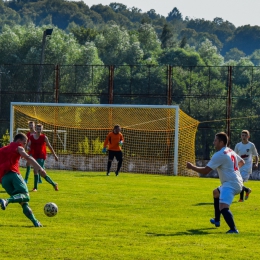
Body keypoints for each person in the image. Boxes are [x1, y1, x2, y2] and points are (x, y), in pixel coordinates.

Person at [186, 132, 244, 234]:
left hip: (230, 184)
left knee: (223, 207)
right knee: (216, 193)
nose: (213, 143)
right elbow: (242, 162)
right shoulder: (230, 151)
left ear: (221, 142)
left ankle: (234, 229)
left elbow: (205, 171)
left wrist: (192, 167)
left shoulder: (220, 154)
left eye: (215, 140)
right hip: (236, 181)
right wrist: (232, 171)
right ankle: (217, 220)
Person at [0, 133, 47, 227]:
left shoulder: (2, 149)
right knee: (26, 196)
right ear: (19, 141)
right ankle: (6, 200)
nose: (25, 145)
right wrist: (40, 169)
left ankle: (35, 222)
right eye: (24, 143)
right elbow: (28, 157)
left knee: (23, 202)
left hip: (4, 180)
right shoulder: (18, 147)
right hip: (13, 175)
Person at [27, 124, 59, 191]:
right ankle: (53, 184)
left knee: (37, 171)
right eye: (38, 129)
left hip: (41, 156)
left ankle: (36, 188)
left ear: (42, 130)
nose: (39, 130)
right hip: (34, 156)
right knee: (38, 172)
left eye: (40, 129)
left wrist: (55, 155)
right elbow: (28, 145)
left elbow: (50, 147)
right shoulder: (31, 137)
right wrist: (28, 148)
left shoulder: (44, 137)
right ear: (35, 129)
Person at [234, 130, 258, 202]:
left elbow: (256, 155)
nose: (244, 137)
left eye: (245, 135)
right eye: (242, 135)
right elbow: (234, 155)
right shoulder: (238, 145)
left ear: (248, 136)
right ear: (241, 136)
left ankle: (241, 199)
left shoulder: (251, 145)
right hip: (239, 166)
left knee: (240, 181)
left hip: (247, 167)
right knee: (238, 182)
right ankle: (247, 190)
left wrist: (256, 163)